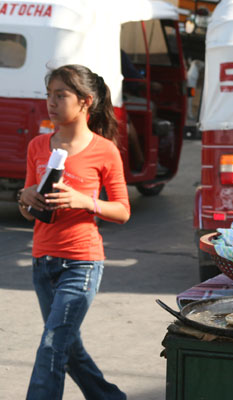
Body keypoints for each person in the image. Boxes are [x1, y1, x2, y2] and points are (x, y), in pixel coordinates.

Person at [17, 64, 130, 399]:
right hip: (42, 262)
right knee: (68, 346)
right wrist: (24, 198)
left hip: (81, 263)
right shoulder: (38, 146)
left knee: (53, 343)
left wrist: (84, 200)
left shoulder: (104, 150)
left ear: (85, 102)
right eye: (49, 95)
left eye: (60, 95)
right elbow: (28, 211)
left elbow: (123, 210)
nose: (51, 102)